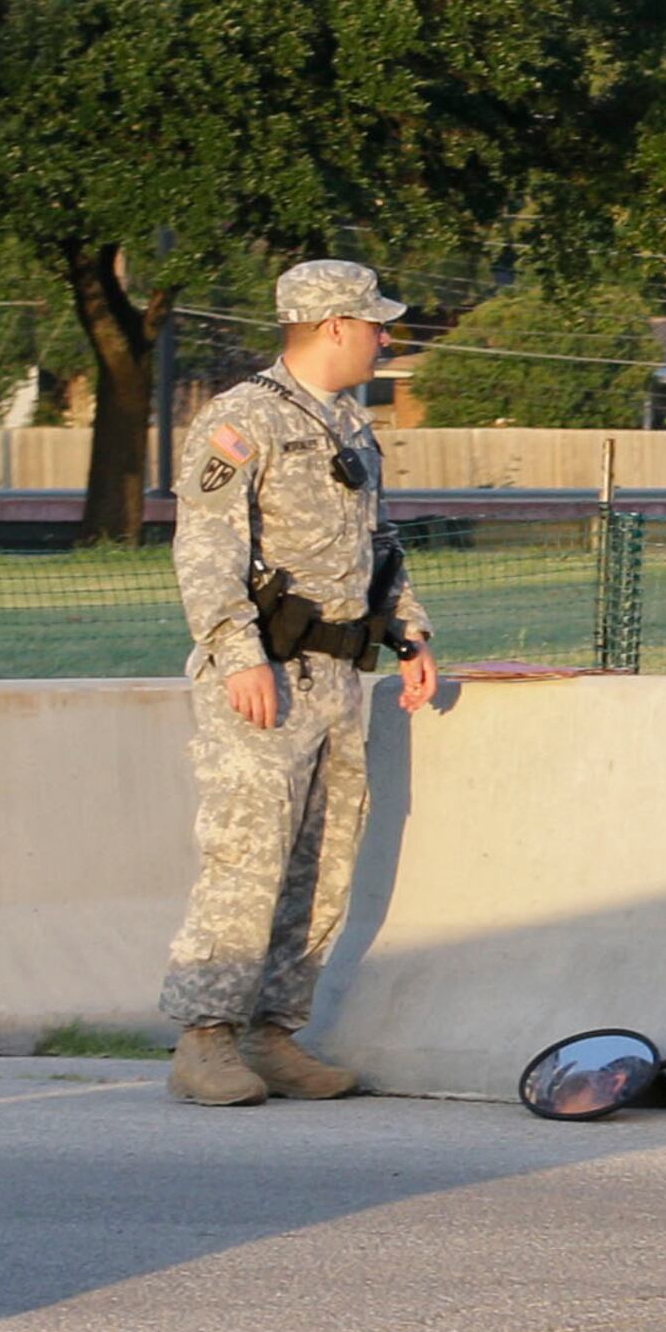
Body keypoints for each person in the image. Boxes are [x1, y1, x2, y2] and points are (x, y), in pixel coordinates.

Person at [157, 259, 439, 1106]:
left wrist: (408, 629)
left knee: (321, 860)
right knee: (247, 856)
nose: (386, 338)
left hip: (339, 673)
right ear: (333, 326)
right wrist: (237, 654)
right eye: (376, 324)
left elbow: (377, 543)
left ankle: (274, 1034)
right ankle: (205, 1039)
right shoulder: (240, 420)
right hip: (267, 675)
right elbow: (205, 548)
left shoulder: (350, 425)